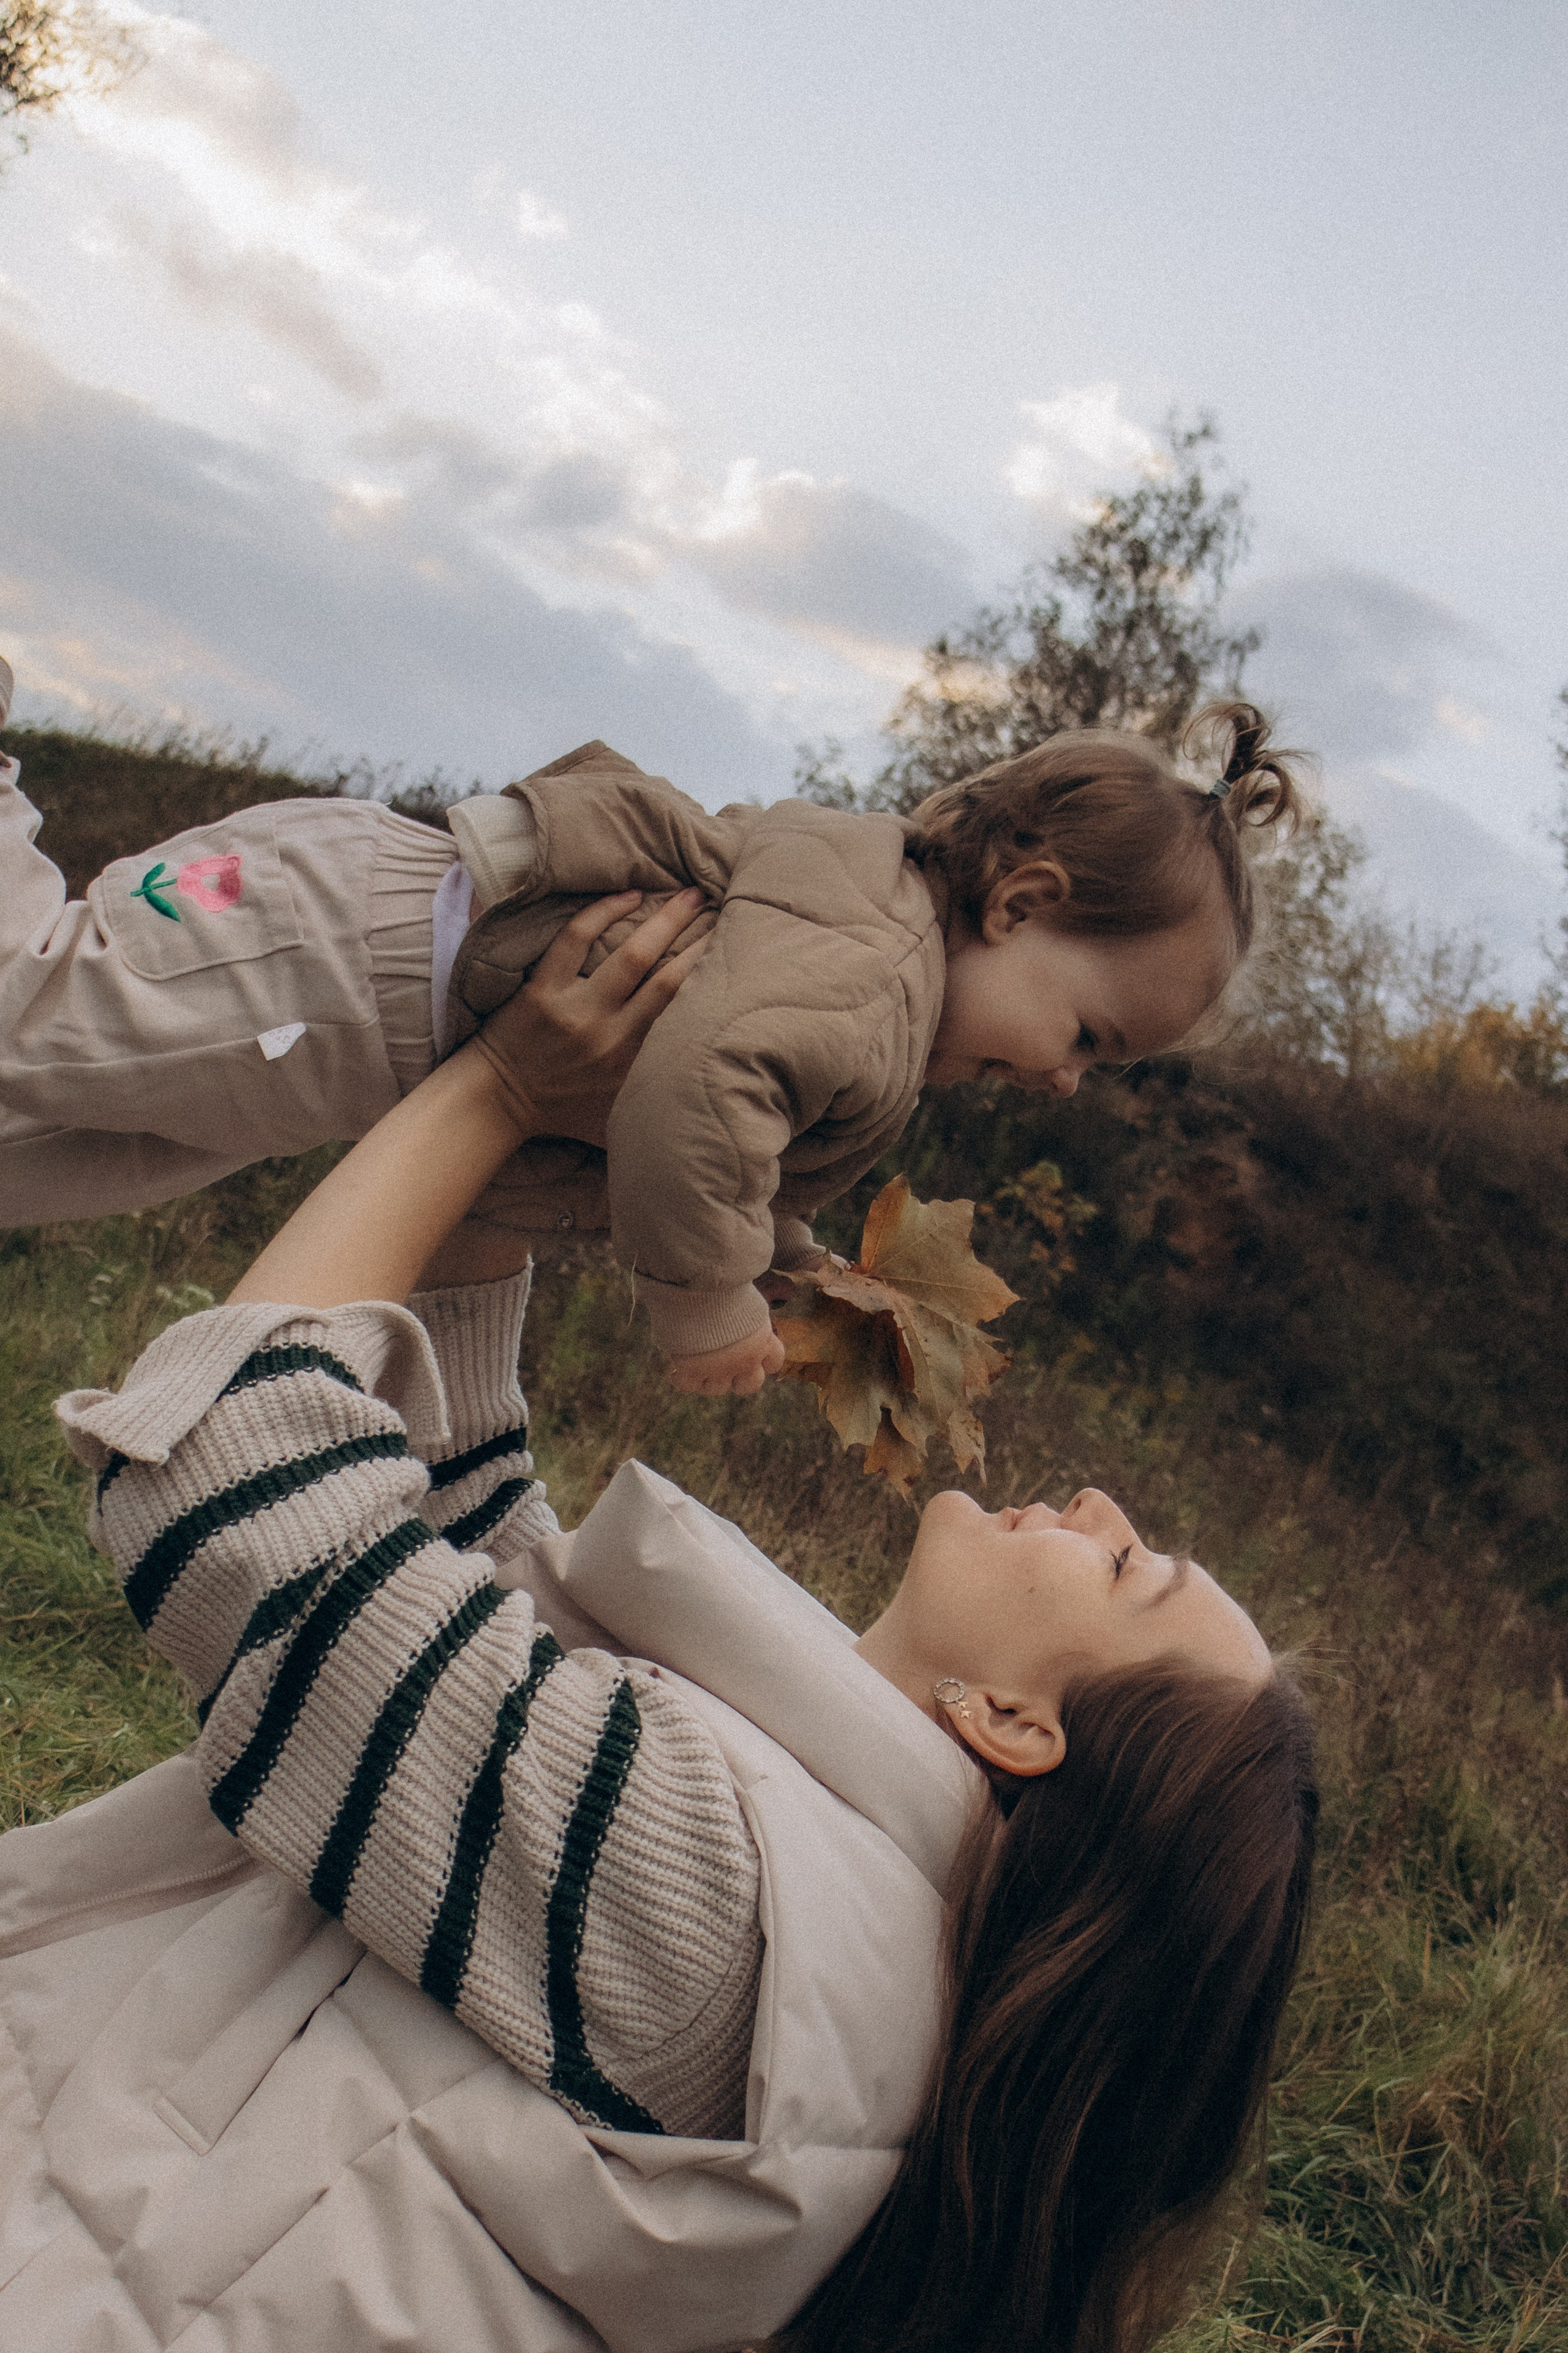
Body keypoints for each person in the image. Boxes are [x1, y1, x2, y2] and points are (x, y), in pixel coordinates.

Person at [0, 893, 1318, 2353]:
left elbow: (231, 1484)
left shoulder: (717, 1911)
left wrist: (494, 1087)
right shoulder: (815, 1900)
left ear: (1014, 1724)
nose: (1102, 1508)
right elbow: (463, 1579)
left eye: (1133, 1574)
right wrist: (530, 1163)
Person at [0, 648, 1304, 1396]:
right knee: (24, 1005)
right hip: (341, 963)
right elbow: (692, 1102)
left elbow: (717, 1125)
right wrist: (709, 1308)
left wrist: (790, 1258)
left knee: (55, 1151)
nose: (1067, 1083)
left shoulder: (863, 962)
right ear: (1023, 903)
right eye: (1087, 1035)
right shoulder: (868, 972)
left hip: (343, 1004)